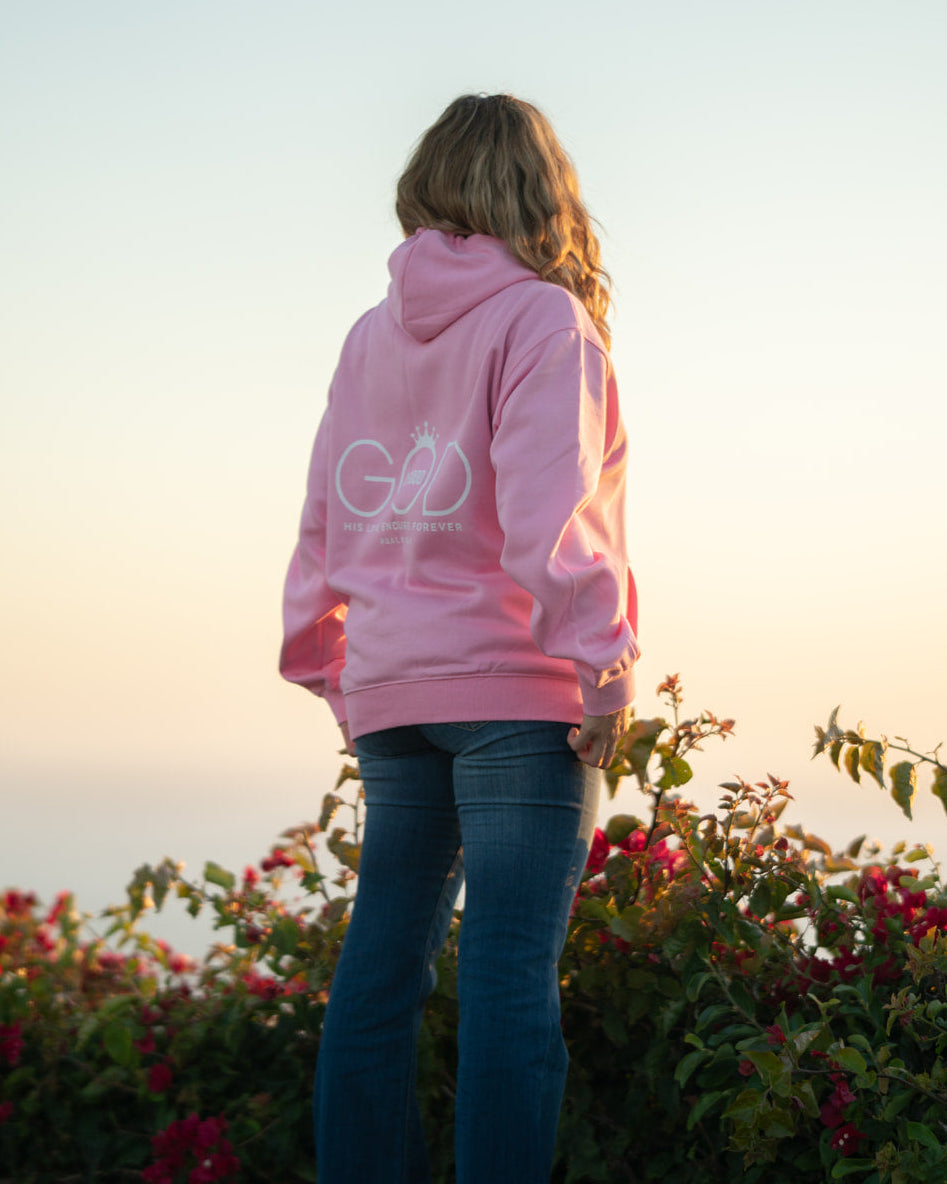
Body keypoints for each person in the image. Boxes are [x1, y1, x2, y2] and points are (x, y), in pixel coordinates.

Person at [280, 93, 639, 1184]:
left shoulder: (367, 332)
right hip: (514, 694)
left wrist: (328, 667)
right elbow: (546, 511)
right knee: (505, 982)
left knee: (377, 980)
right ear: (544, 192)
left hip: (393, 691)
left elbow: (322, 518)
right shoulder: (541, 319)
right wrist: (604, 660)